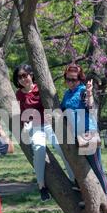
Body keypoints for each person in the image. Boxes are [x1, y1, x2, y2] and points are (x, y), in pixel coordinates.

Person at [13, 63, 74, 202]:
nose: (22, 79)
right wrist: (24, 123)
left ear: (31, 75)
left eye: (25, 75)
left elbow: (51, 105)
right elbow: (18, 113)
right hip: (35, 127)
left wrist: (51, 116)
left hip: (49, 125)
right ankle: (42, 186)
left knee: (60, 147)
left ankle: (74, 179)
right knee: (39, 150)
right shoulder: (18, 94)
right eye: (19, 77)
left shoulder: (40, 88)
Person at [60, 63, 107, 205]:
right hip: (75, 137)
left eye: (74, 79)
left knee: (96, 167)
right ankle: (89, 198)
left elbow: (90, 106)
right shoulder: (67, 94)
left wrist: (90, 93)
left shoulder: (83, 90)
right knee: (83, 170)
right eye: (68, 79)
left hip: (87, 134)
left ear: (80, 79)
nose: (71, 82)